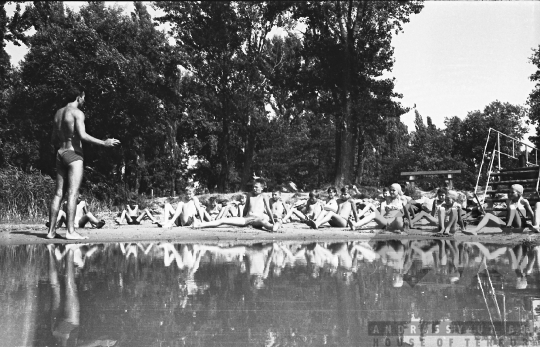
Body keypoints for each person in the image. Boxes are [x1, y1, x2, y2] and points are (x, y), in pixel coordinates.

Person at [46, 88, 120, 240]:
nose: (84, 100)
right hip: (74, 155)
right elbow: (82, 135)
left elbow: (53, 138)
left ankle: (51, 232)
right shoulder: (77, 113)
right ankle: (70, 231)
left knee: (58, 193)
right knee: (73, 193)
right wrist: (104, 143)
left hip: (60, 153)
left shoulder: (58, 113)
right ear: (79, 97)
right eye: (84, 97)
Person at [193, 179, 280, 232]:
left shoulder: (263, 196)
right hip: (247, 219)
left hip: (258, 219)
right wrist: (239, 217)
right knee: (223, 220)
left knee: (263, 221)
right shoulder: (249, 195)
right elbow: (246, 208)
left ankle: (273, 227)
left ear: (262, 188)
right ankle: (200, 225)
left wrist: (272, 220)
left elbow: (268, 209)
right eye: (253, 186)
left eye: (256, 187)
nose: (254, 188)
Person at [465, 184, 536, 235]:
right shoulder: (508, 201)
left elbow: (532, 214)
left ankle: (508, 226)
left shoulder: (524, 201)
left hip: (519, 227)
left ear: (519, 193)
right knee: (488, 215)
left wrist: (534, 226)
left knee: (512, 207)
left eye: (512, 192)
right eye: (509, 192)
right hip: (509, 227)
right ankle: (475, 230)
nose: (510, 194)